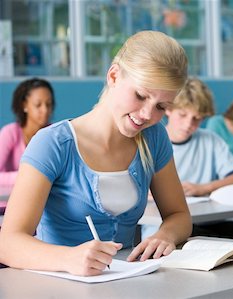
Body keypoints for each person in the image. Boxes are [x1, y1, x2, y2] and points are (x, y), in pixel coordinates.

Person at [0, 31, 192, 276]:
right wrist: (68, 258)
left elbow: (179, 215)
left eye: (161, 106)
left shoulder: (154, 138)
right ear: (113, 76)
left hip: (126, 284)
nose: (147, 114)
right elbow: (7, 243)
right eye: (140, 96)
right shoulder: (53, 144)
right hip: (56, 287)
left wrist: (165, 235)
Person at [143, 78, 233, 242]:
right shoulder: (151, 141)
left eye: (197, 118)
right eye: (183, 115)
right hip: (164, 226)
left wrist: (204, 188)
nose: (189, 124)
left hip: (210, 222)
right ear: (169, 109)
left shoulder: (210, 140)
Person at [0, 78, 55, 188]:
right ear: (24, 105)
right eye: (38, 105)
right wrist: (30, 176)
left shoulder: (54, 133)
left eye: (48, 104)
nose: (45, 110)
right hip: (9, 201)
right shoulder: (10, 133)